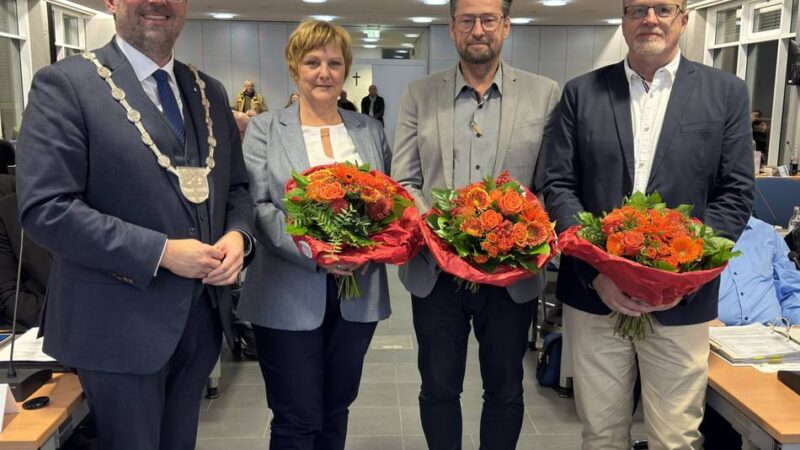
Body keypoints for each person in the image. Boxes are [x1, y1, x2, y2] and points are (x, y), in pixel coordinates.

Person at [15, 0, 255, 448]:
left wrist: (238, 236)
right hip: (116, 325)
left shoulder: (209, 92)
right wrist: (160, 252)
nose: (158, 2)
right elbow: (46, 208)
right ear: (110, 2)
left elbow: (237, 188)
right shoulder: (66, 85)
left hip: (200, 322)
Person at [539, 1, 754, 448]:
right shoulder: (582, 92)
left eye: (662, 8)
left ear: (683, 18)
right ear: (623, 20)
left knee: (675, 437)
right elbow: (558, 185)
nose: (650, 19)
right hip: (596, 296)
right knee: (601, 435)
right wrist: (597, 271)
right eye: (638, 9)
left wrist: (676, 276)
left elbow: (734, 193)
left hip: (681, 301)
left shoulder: (725, 92)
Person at [392, 0, 561, 448]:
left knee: (505, 390)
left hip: (511, 275)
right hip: (436, 272)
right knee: (439, 388)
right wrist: (443, 234)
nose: (478, 29)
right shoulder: (419, 94)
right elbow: (405, 181)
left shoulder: (544, 94)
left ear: (506, 26)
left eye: (489, 19)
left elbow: (550, 183)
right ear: (452, 29)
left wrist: (520, 232)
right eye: (467, 20)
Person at [237, 20, 392, 450]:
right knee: (296, 416)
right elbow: (259, 205)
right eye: (312, 62)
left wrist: (369, 246)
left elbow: (388, 203)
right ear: (294, 67)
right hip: (287, 289)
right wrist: (317, 252)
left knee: (335, 409)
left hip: (357, 292)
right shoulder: (265, 129)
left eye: (334, 63)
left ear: (346, 71)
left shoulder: (369, 130)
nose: (324, 72)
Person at [718, 216, 800, 325]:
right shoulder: (695, 232)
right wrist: (699, 321)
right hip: (715, 334)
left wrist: (796, 325)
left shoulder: (768, 233)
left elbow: (791, 289)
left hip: (773, 332)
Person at [0, 193, 51, 331]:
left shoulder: (102, 206)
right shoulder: (7, 212)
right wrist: (58, 321)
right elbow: (7, 292)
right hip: (38, 327)